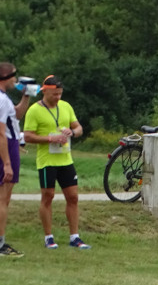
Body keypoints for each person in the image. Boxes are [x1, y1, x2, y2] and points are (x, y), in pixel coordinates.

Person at [21, 75, 91, 249]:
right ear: (45, 91)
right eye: (54, 94)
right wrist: (50, 139)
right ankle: (48, 237)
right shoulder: (34, 110)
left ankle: (75, 237)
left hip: (65, 159)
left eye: (60, 94)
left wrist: (72, 132)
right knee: (48, 196)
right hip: (47, 161)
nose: (57, 98)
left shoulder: (66, 106)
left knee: (73, 197)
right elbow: (28, 136)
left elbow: (79, 127)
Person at [0, 62, 35, 257]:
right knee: (3, 198)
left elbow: (17, 115)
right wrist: (7, 163)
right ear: (6, 78)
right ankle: (0, 243)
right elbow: (1, 133)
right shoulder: (2, 100)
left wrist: (26, 95)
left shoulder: (5, 100)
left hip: (9, 142)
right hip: (7, 145)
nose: (16, 80)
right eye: (14, 77)